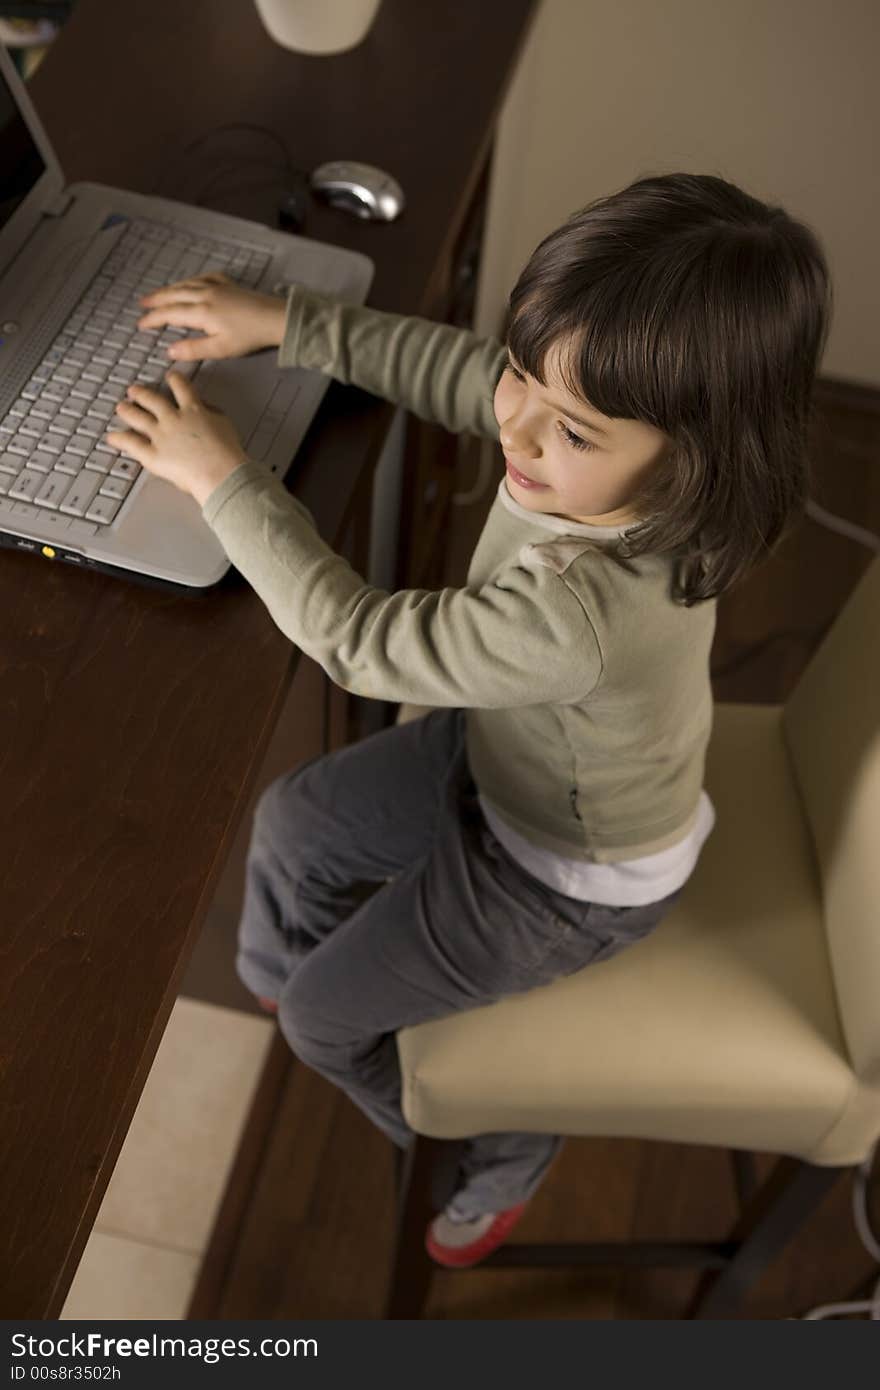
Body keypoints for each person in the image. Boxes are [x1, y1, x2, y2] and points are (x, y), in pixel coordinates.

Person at [107, 172, 832, 1268]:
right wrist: (293, 324)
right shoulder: (590, 453)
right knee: (296, 820)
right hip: (517, 751)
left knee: (320, 1024)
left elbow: (358, 639)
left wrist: (224, 479)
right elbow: (462, 373)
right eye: (520, 374)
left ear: (691, 458)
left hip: (563, 873)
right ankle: (301, 973)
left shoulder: (584, 609)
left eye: (570, 428)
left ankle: (502, 1144)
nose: (518, 430)